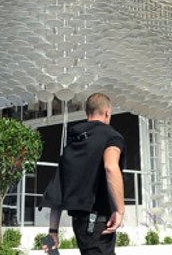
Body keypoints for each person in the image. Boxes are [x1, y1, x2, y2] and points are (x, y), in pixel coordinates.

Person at [40, 93, 125, 255]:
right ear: (107, 112)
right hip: (98, 223)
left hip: (79, 223)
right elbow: (110, 167)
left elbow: (58, 186)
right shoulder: (111, 136)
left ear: (88, 113)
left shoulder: (73, 143)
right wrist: (120, 210)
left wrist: (53, 231)